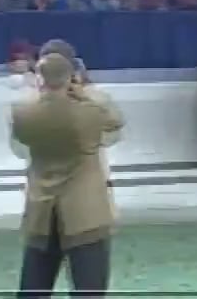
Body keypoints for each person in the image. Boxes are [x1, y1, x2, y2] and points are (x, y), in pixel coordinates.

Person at [11, 53, 124, 296]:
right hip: (85, 212)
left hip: (42, 212)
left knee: (34, 287)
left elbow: (19, 141)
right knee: (89, 289)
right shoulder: (88, 112)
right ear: (72, 77)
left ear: (39, 79)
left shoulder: (23, 113)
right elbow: (115, 121)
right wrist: (82, 93)